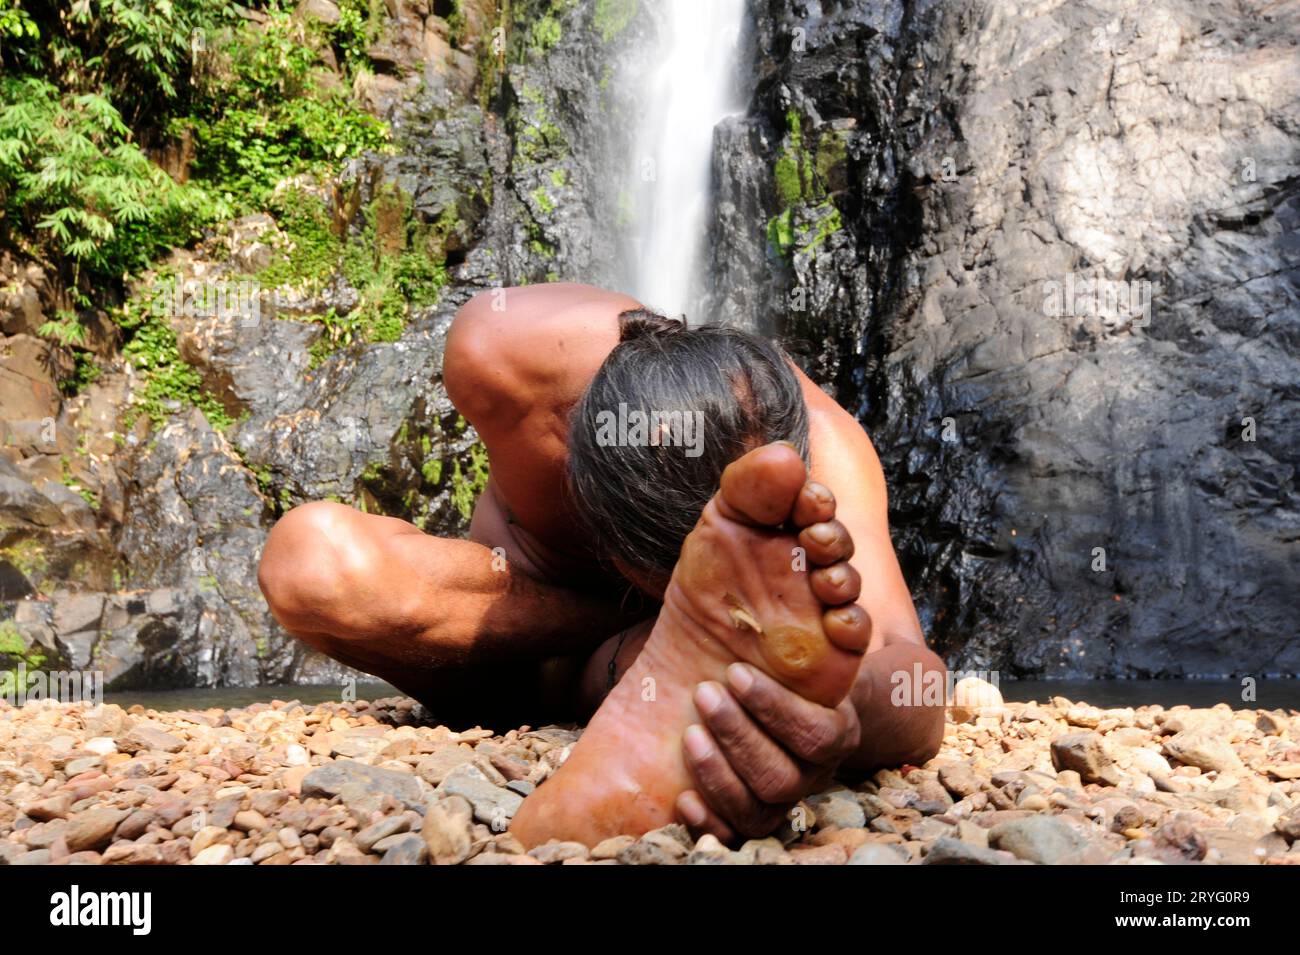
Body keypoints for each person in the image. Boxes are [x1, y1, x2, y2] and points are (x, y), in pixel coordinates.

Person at [258, 282, 946, 846]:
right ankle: (643, 658)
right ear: (598, 520)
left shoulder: (820, 448)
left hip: (711, 646)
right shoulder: (505, 354)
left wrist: (815, 703)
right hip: (524, 641)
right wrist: (643, 644)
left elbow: (916, 679)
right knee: (310, 564)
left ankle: (663, 664)